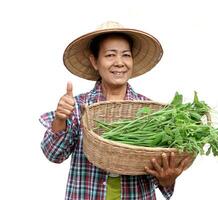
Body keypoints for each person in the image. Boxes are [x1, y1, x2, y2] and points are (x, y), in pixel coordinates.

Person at [39, 21, 189, 200]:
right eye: (110, 55)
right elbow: (54, 155)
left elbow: (160, 175)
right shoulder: (78, 107)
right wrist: (60, 119)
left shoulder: (151, 112)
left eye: (126, 55)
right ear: (94, 61)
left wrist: (167, 179)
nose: (119, 63)